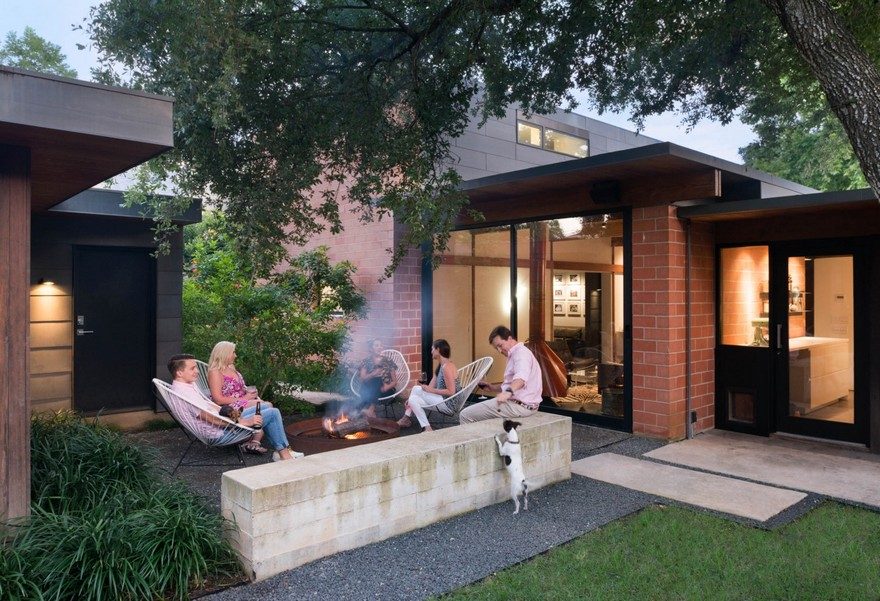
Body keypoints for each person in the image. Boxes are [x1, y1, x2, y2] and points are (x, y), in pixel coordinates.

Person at [168, 354, 301, 460]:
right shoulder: (184, 394)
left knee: (265, 407)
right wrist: (244, 421)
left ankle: (281, 451)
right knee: (272, 413)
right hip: (220, 432)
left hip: (224, 421)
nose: (197, 371)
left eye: (196, 367)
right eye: (192, 368)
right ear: (179, 373)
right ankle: (285, 455)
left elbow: (212, 409)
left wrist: (233, 413)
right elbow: (212, 419)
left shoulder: (186, 386)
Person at [460, 325, 542, 423]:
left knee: (465, 415)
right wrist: (492, 388)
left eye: (500, 345)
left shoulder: (521, 354)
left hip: (518, 406)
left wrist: (506, 393)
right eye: (496, 348)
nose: (499, 350)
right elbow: (512, 383)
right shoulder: (515, 354)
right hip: (522, 405)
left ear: (510, 338)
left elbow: (520, 379)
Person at [397, 339, 460, 433]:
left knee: (413, 394)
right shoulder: (441, 366)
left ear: (438, 350)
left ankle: (406, 418)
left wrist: (431, 390)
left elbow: (451, 392)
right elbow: (429, 387)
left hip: (449, 404)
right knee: (413, 398)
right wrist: (426, 389)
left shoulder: (447, 367)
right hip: (442, 399)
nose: (431, 352)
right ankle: (428, 428)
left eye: (432, 349)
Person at [207, 341, 271, 412]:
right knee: (267, 406)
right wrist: (245, 398)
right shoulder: (215, 372)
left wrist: (249, 393)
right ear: (224, 353)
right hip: (229, 407)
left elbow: (237, 388)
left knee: (268, 406)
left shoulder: (231, 366)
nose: (235, 355)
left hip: (242, 401)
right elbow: (218, 400)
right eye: (233, 352)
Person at [356, 338, 397, 413]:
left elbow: (394, 381)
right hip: (367, 390)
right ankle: (369, 410)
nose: (379, 347)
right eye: (376, 345)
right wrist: (373, 374)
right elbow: (362, 379)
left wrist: (386, 387)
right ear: (371, 349)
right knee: (376, 380)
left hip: (385, 391)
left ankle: (367, 408)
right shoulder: (366, 361)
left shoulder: (388, 361)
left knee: (377, 381)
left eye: (381, 345)